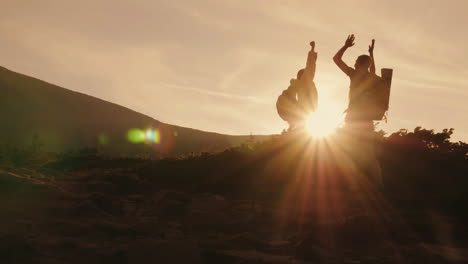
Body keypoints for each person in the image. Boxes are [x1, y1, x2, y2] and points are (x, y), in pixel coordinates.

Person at [333, 34, 382, 187]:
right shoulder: (373, 78)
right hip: (367, 120)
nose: (353, 64)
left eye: (355, 62)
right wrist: (372, 55)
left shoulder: (354, 75)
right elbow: (373, 69)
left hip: (353, 119)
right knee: (370, 155)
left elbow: (336, 59)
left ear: (359, 64)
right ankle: (378, 186)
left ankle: (352, 186)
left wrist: (346, 46)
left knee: (350, 153)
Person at [277, 42, 318, 131]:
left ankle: (294, 127)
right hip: (303, 111)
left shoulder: (298, 85)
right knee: (302, 126)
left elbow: (310, 67)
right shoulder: (304, 82)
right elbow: (310, 66)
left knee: (301, 125)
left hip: (301, 111)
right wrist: (312, 49)